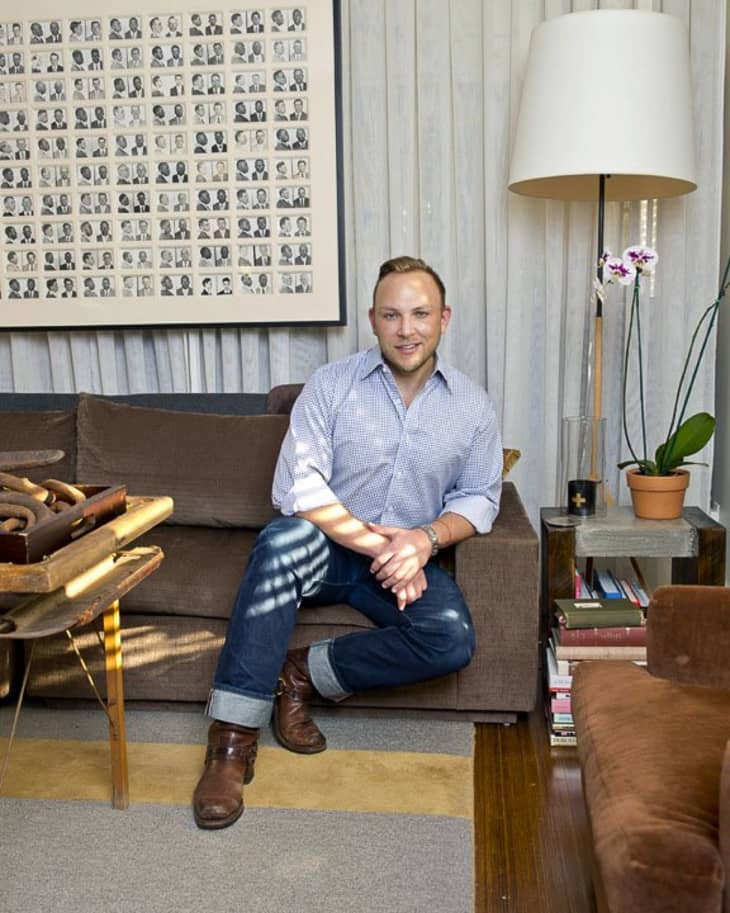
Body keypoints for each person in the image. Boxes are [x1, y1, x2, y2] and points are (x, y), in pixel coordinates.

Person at [192, 255, 503, 829]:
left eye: (419, 314)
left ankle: (301, 673)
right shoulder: (332, 386)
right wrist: (382, 546)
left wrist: (424, 540)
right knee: (280, 541)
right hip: (331, 548)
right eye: (392, 315)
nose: (406, 329)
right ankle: (232, 741)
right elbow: (299, 489)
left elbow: (481, 497)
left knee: (450, 640)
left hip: (406, 557)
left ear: (444, 318)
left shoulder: (472, 406)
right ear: (373, 319)